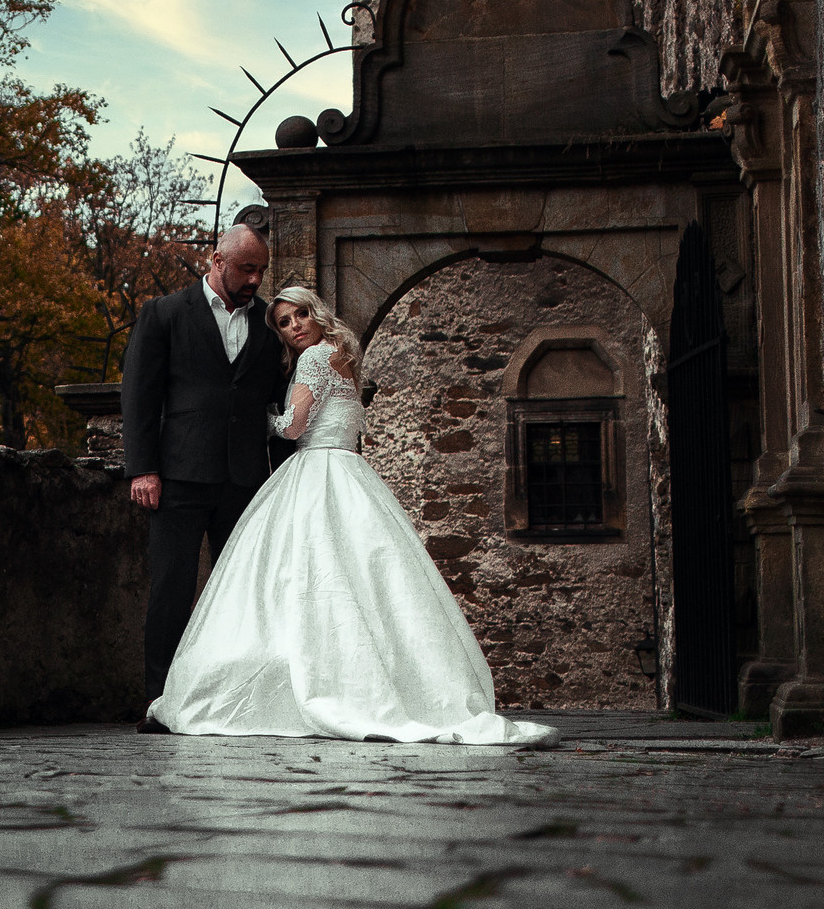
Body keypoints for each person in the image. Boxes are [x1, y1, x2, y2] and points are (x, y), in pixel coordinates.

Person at [145, 283, 555, 746]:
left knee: (305, 578)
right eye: (283, 322)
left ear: (316, 313)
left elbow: (294, 426)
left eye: (300, 314)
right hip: (351, 470)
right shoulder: (344, 359)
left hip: (317, 471)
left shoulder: (314, 359)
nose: (294, 326)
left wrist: (261, 415)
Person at [121, 221, 281, 732]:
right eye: (246, 268)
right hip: (179, 477)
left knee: (240, 594)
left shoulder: (268, 325)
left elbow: (279, 398)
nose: (255, 279)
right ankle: (159, 702)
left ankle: (232, 701)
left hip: (245, 479)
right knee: (171, 588)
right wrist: (142, 468)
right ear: (217, 260)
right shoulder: (165, 314)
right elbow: (139, 396)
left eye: (261, 270)